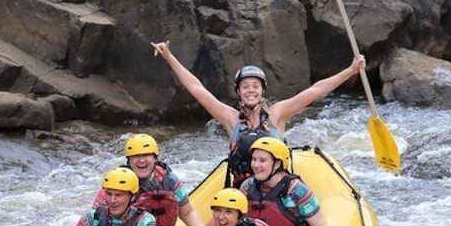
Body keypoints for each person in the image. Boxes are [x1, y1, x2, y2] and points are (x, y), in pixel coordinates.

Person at [151, 40, 366, 186]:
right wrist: (169, 57)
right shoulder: (230, 118)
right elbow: (197, 88)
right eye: (245, 86)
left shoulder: (277, 114)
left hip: (275, 191)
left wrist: (350, 71)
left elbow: (315, 91)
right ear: (238, 92)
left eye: (255, 86)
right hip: (243, 193)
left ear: (262, 90)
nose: (251, 90)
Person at [92, 133, 210, 226]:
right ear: (128, 160)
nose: (141, 160)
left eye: (147, 155)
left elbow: (187, 211)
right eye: (136, 156)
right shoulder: (116, 183)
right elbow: (95, 218)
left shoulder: (170, 181)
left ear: (155, 158)